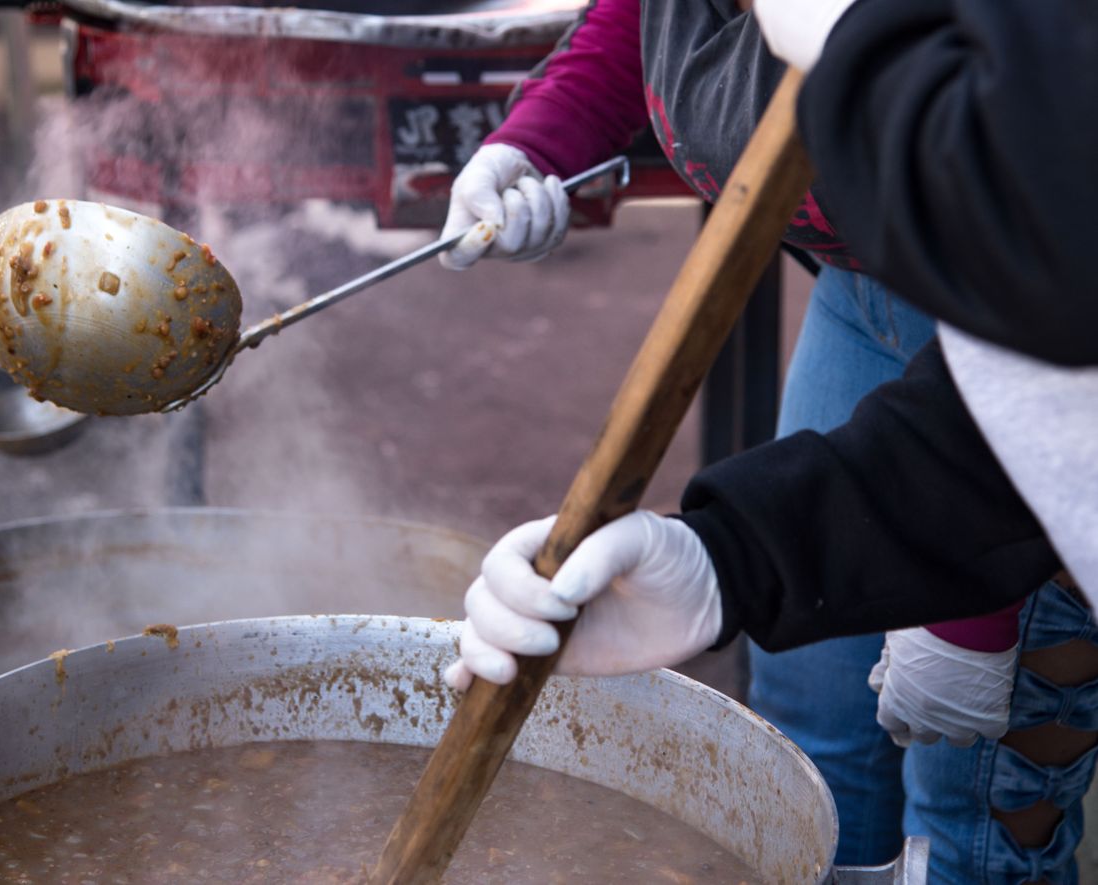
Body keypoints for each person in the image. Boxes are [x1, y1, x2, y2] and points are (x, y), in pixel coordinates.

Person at [444, 0, 1098, 879]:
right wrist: (730, 560)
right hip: (874, 300)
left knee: (969, 793)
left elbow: (1052, 217)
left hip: (1020, 341)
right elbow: (648, 16)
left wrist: (974, 607)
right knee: (807, 725)